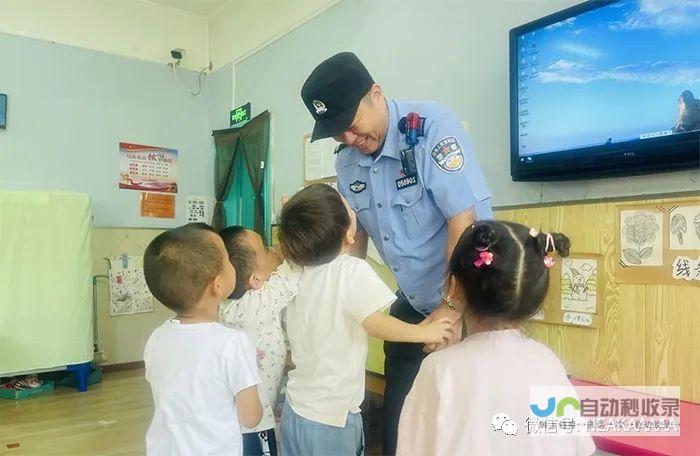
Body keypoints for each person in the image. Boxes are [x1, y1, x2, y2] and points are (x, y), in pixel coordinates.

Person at [300, 51, 493, 454]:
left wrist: (452, 306)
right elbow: (355, 238)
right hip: (413, 301)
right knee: (401, 425)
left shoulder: (430, 129)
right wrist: (341, 294)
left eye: (351, 126)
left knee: (470, 428)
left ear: (376, 93)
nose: (349, 140)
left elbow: (465, 223)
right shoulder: (348, 163)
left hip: (471, 299)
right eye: (338, 134)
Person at [277, 184, 453, 456]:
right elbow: (373, 322)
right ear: (348, 232)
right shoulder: (350, 270)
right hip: (332, 418)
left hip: (296, 409)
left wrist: (292, 216)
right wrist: (425, 332)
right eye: (348, 205)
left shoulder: (295, 270)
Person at [396, 221, 596, 455]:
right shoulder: (547, 362)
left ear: (454, 287)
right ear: (538, 298)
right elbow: (576, 447)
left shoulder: (439, 369)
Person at [143, 223, 263, 456]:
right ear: (219, 285)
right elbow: (250, 418)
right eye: (227, 259)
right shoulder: (233, 343)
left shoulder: (156, 338)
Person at [219, 226, 302, 456]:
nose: (273, 250)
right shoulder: (259, 300)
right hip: (255, 423)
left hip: (225, 421)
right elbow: (294, 269)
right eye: (267, 249)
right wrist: (290, 235)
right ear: (256, 279)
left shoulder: (223, 306)